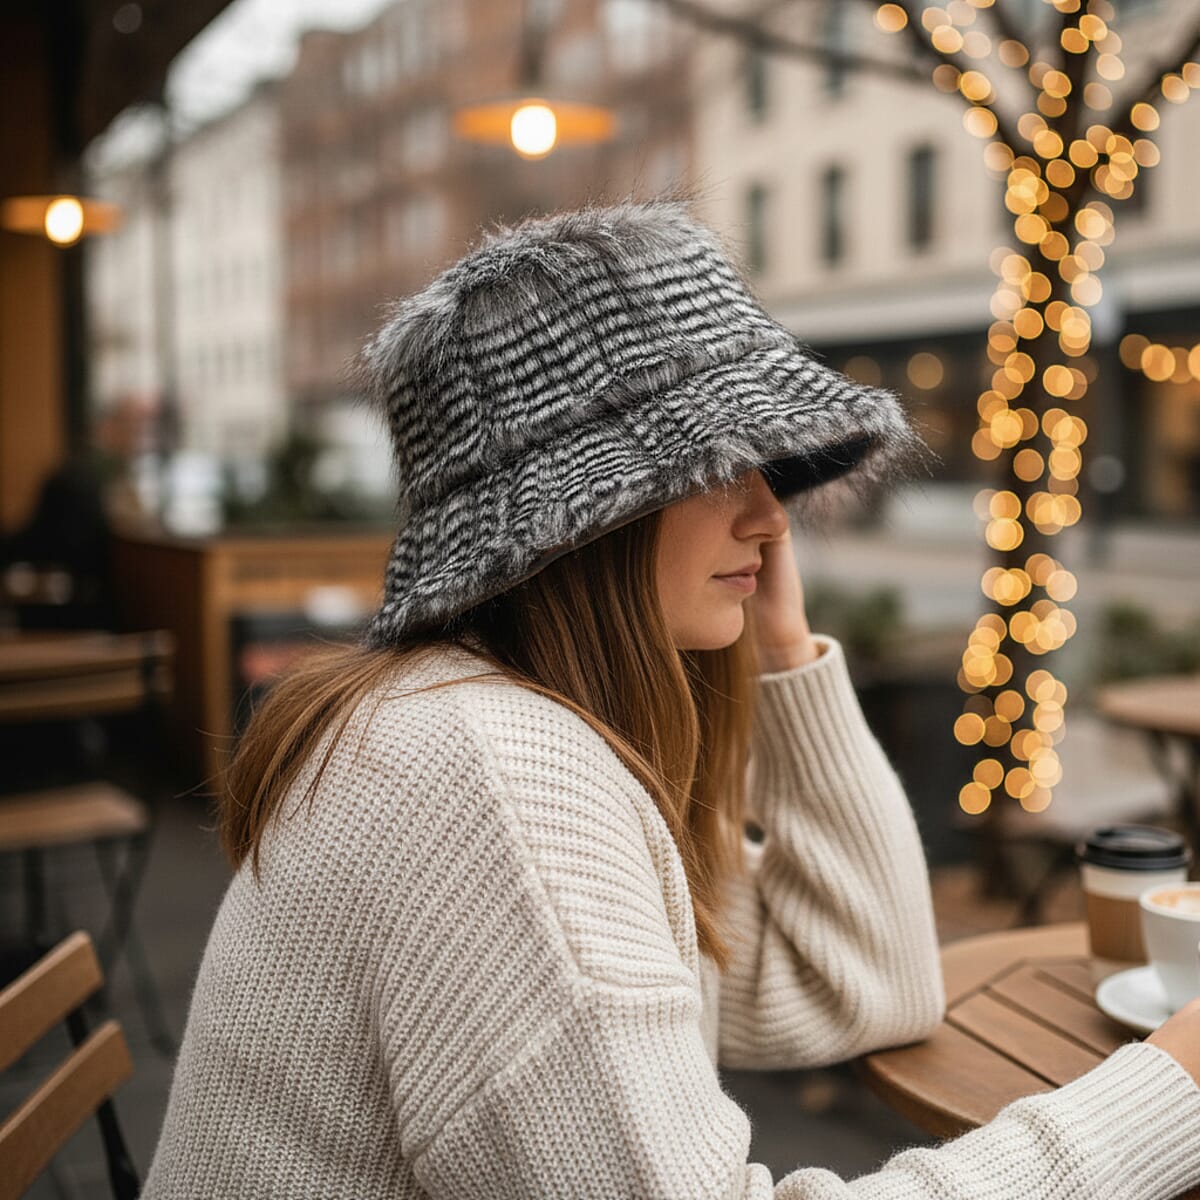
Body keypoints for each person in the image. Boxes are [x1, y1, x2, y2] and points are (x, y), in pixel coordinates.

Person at [142, 200, 1200, 1199]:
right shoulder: (492, 775)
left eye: (770, 467)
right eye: (721, 463)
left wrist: (785, 650)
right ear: (583, 514)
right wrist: (1170, 1095)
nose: (773, 517)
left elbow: (871, 984)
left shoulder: (506, 725)